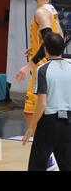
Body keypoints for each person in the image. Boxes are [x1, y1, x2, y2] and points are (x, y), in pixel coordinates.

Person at [16, 0, 63, 170]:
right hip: (48, 62)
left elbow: (48, 38)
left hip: (42, 67)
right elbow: (59, 35)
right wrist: (35, 46)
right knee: (43, 111)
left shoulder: (41, 13)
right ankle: (50, 153)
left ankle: (49, 157)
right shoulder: (51, 10)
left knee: (31, 111)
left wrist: (29, 65)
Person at [22, 32, 71, 171]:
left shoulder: (42, 70)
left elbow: (42, 102)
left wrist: (32, 126)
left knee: (37, 165)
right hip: (68, 123)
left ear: (45, 49)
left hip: (49, 123)